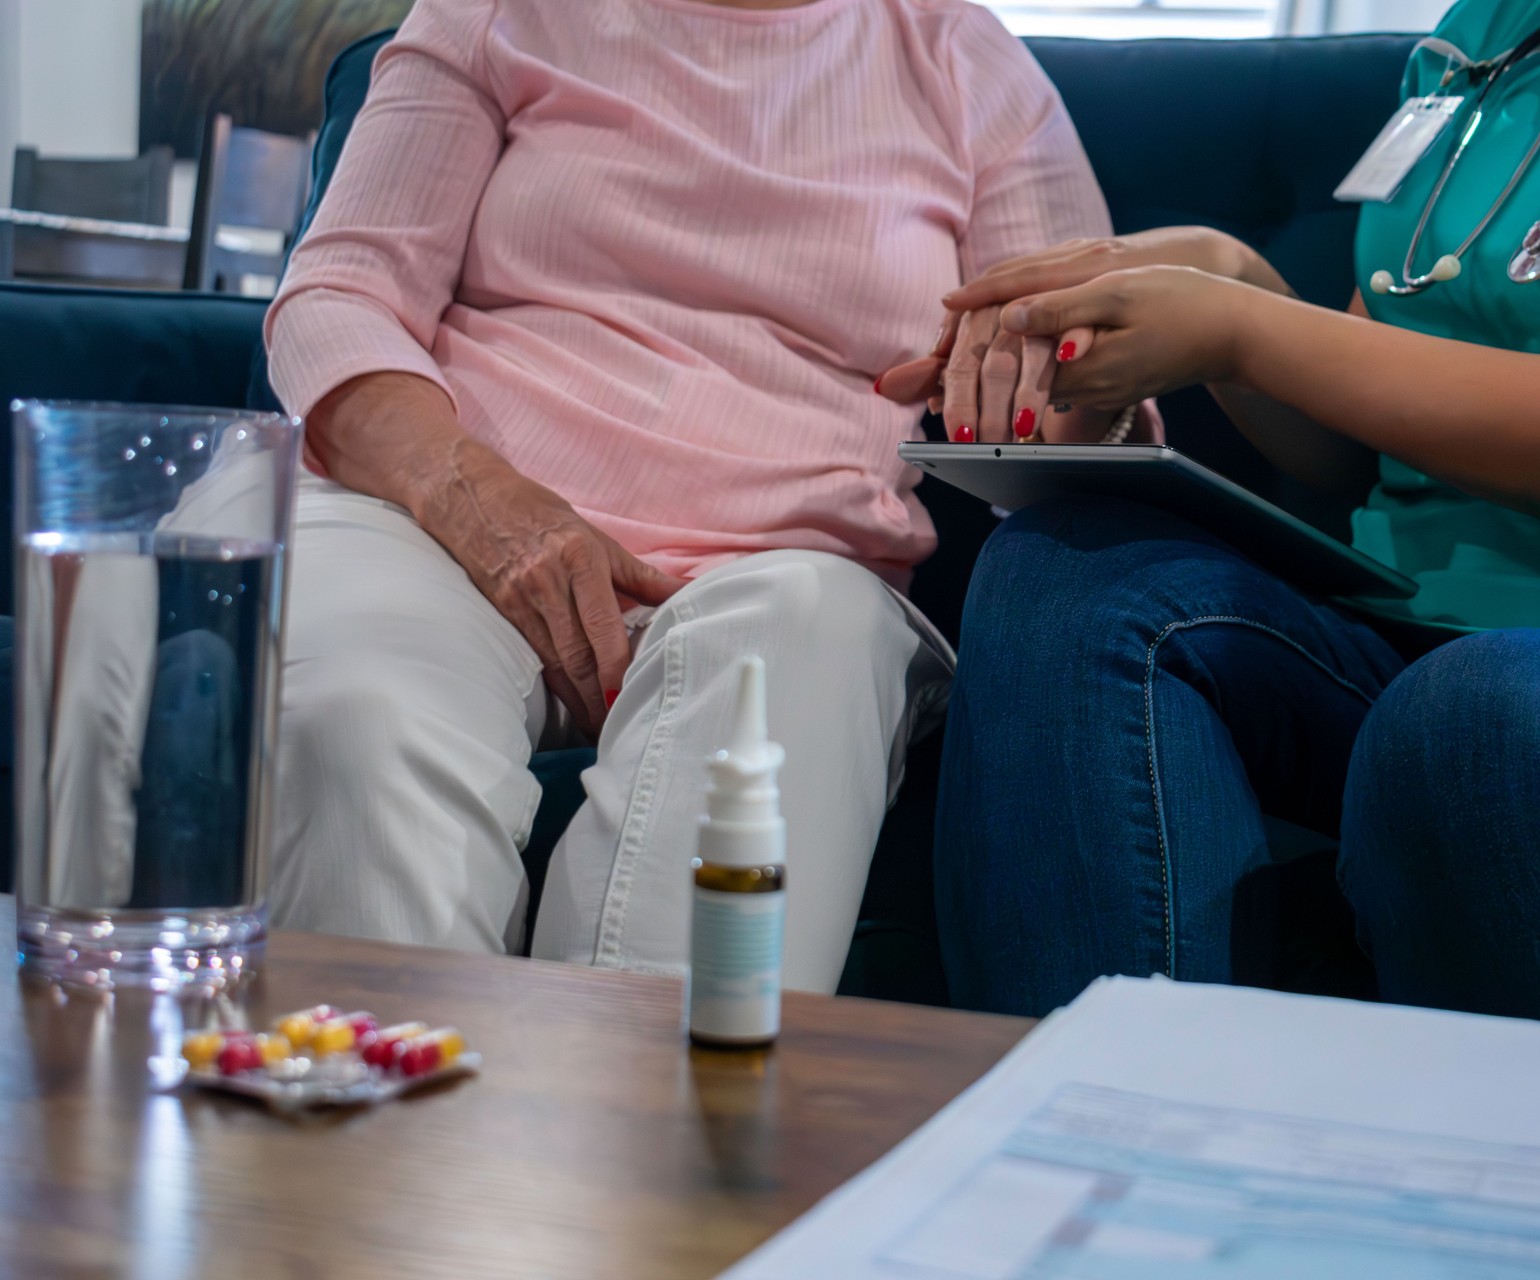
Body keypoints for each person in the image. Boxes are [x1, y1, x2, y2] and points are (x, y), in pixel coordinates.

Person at [893, 0, 1540, 1035]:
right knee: (1065, 575)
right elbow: (1363, 444)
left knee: (1488, 719)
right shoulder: (1490, 24)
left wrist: (1248, 332)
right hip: (1422, 627)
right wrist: (1229, 280)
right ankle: (1101, 1161)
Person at [262, 0, 1122, 989]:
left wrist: (1077, 381)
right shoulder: (495, 12)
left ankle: (647, 1137)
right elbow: (340, 294)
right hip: (441, 520)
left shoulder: (967, 63)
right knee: (360, 716)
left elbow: (1070, 399)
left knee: (806, 642)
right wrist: (476, 499)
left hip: (786, 567)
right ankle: (376, 1122)